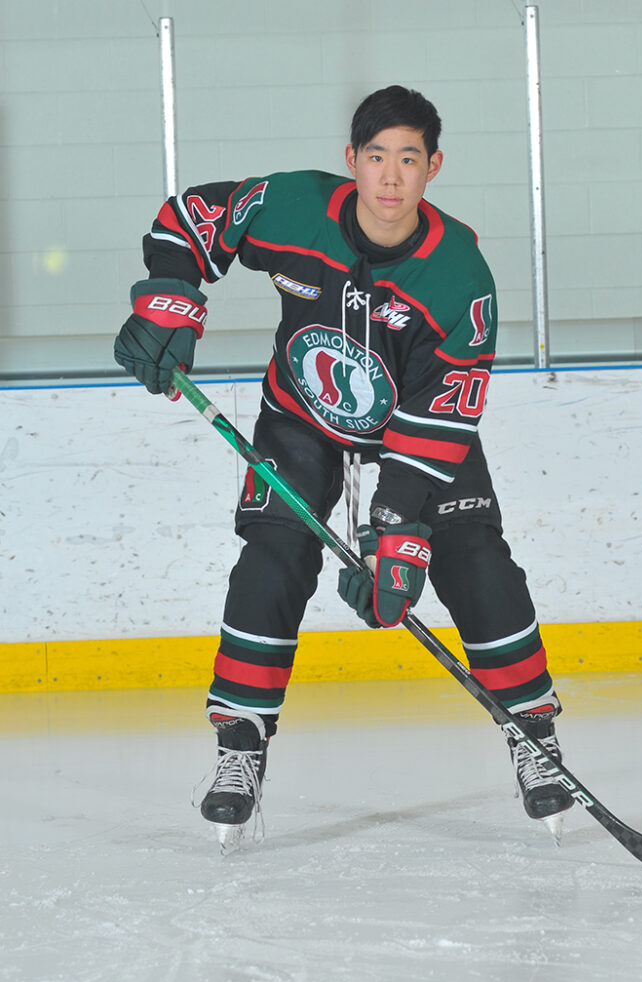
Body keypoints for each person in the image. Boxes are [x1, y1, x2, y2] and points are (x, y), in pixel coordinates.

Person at [114, 85, 573, 848]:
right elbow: (191, 220)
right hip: (300, 417)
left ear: (433, 167)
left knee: (473, 559)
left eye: (408, 159)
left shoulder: (459, 277)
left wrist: (395, 532)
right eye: (376, 156)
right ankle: (240, 744)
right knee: (272, 555)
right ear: (351, 159)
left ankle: (533, 732)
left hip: (413, 434)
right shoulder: (292, 208)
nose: (390, 177)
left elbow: (439, 419)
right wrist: (168, 298)